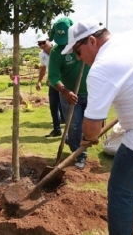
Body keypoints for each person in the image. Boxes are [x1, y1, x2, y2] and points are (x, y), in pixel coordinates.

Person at [61, 19, 133, 235]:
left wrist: (87, 138)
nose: (78, 58)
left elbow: (92, 128)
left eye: (77, 51)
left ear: (92, 41)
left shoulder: (102, 67)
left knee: (121, 193)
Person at [48, 17, 90, 169]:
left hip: (91, 92)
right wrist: (65, 91)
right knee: (74, 126)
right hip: (69, 95)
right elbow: (52, 76)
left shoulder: (84, 43)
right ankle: (79, 155)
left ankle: (73, 141)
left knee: (88, 126)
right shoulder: (56, 52)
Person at [35, 33, 64, 137]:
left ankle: (71, 132)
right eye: (39, 44)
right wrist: (39, 81)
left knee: (67, 106)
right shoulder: (41, 55)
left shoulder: (59, 50)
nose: (42, 45)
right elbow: (43, 68)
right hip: (53, 83)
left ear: (49, 40)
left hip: (65, 82)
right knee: (53, 106)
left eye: (43, 42)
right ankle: (57, 129)